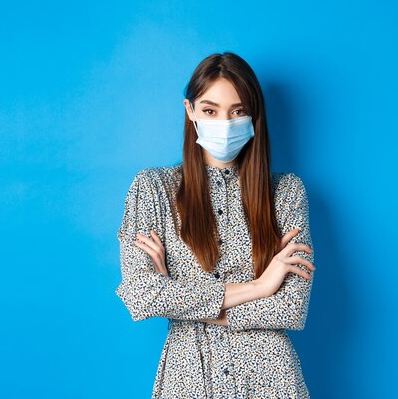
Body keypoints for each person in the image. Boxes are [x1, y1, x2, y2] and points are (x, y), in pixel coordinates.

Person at [115, 51, 316, 398]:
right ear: (190, 111)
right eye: (210, 110)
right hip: (188, 380)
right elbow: (142, 295)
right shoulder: (152, 189)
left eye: (238, 111)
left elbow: (290, 308)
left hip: (271, 380)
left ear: (254, 117)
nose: (225, 123)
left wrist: (178, 296)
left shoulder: (286, 194)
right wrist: (260, 286)